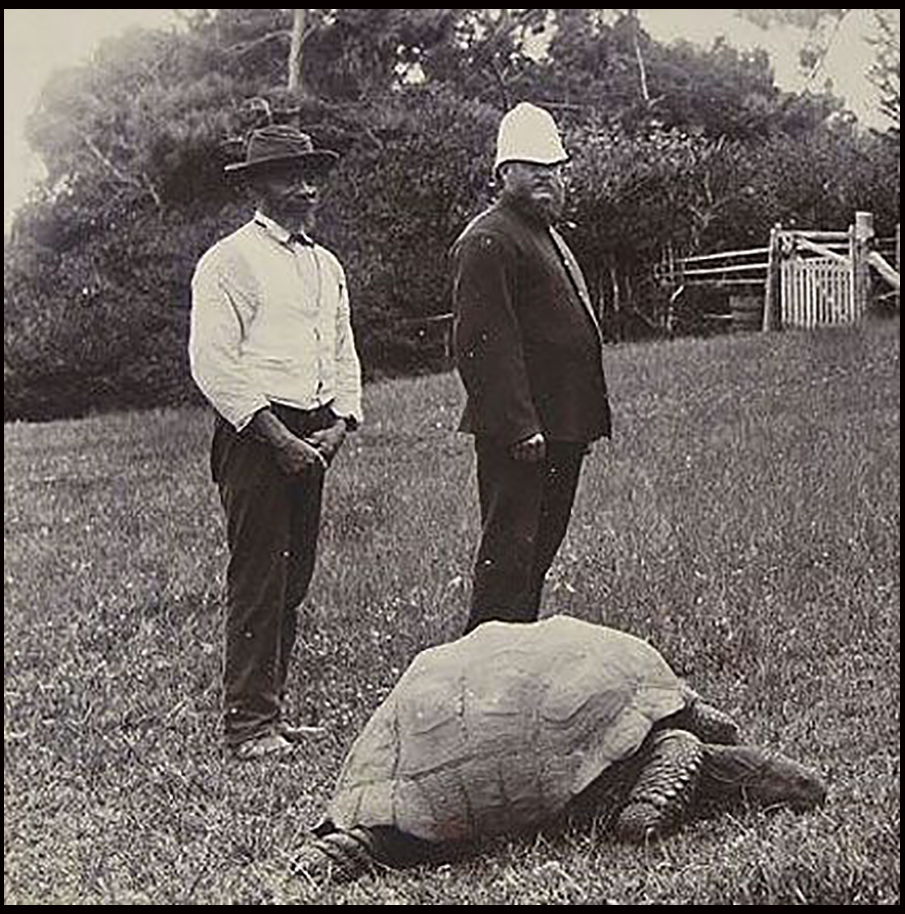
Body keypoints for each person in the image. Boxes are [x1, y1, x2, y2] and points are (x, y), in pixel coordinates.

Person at [189, 125, 363, 759]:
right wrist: (276, 438)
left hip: (314, 433)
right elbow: (214, 364)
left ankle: (272, 714)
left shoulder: (325, 263)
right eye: (292, 174)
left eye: (313, 173)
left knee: (293, 581)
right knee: (259, 578)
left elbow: (343, 348)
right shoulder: (229, 261)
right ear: (258, 185)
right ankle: (247, 725)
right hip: (257, 436)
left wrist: (341, 422)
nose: (307, 185)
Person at [451, 102, 612, 634]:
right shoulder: (489, 238)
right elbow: (483, 343)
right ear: (503, 174)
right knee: (508, 557)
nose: (547, 176)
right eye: (532, 166)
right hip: (523, 434)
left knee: (535, 554)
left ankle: (515, 656)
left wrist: (578, 420)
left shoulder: (544, 234)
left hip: (561, 427)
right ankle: (484, 667)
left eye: (555, 167)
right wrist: (519, 425)